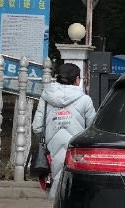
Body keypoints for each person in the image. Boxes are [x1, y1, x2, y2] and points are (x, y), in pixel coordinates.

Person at [32, 63, 96, 199]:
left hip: (51, 153)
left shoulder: (46, 98)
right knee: (74, 192)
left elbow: (37, 127)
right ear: (77, 79)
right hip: (77, 154)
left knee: (55, 190)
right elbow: (92, 130)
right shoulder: (85, 100)